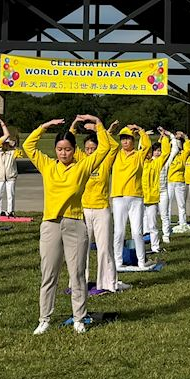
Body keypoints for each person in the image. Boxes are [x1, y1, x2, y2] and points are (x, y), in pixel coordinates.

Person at [20, 115, 112, 334]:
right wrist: (44, 126)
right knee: (48, 274)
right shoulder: (47, 165)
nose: (64, 153)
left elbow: (105, 148)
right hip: (50, 224)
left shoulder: (82, 167)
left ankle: (79, 318)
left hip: (75, 224)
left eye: (68, 149)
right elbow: (28, 146)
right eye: (60, 149)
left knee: (77, 274)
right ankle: (44, 318)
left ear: (74, 150)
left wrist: (98, 123)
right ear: (55, 150)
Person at [79, 120, 119, 293]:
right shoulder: (82, 161)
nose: (90, 151)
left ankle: (108, 283)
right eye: (87, 148)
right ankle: (80, 281)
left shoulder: (105, 161)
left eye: (93, 148)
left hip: (102, 209)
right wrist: (74, 125)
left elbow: (114, 146)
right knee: (82, 248)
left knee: (104, 248)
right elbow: (69, 144)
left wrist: (99, 129)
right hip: (84, 210)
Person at [110, 125, 153, 269]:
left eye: (128, 138)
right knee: (119, 231)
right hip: (119, 197)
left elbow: (147, 145)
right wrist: (110, 130)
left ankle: (141, 262)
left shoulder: (139, 155)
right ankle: (118, 262)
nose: (125, 141)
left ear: (133, 140)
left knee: (137, 232)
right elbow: (107, 143)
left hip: (136, 197)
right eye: (122, 139)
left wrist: (140, 130)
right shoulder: (116, 154)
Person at [142, 129, 179, 254]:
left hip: (163, 192)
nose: (158, 153)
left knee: (164, 215)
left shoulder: (165, 162)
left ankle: (166, 235)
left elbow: (174, 150)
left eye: (160, 151)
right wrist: (144, 136)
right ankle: (147, 235)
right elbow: (142, 150)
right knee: (147, 216)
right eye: (156, 151)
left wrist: (170, 136)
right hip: (151, 193)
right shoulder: (147, 162)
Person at [168, 130, 190, 232]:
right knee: (167, 204)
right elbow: (163, 147)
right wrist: (164, 136)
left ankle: (182, 222)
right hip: (169, 182)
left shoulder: (182, 155)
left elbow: (189, 148)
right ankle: (167, 222)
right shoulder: (167, 156)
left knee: (181, 204)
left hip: (179, 182)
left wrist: (185, 137)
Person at [0, 137, 19, 218]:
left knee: (11, 195)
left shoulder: (13, 152)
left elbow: (21, 154)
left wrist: (13, 145)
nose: (5, 145)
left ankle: (10, 211)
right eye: (3, 143)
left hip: (10, 176)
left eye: (6, 144)